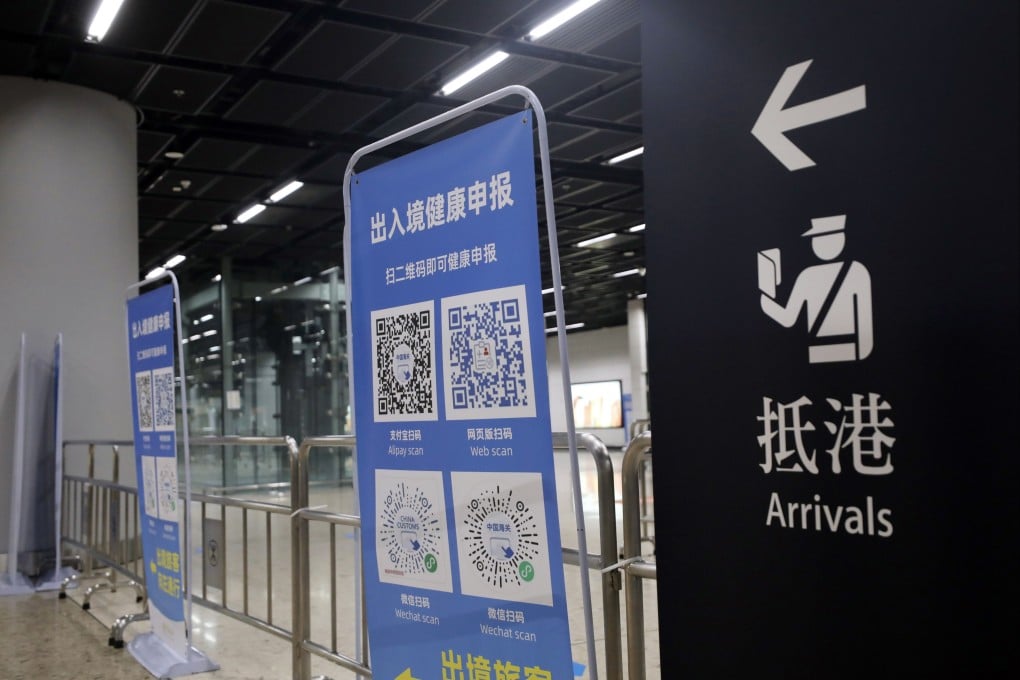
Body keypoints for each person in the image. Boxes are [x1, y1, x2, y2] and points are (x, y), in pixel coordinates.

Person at [759, 215, 873, 363]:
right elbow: (789, 319)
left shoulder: (854, 272)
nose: (821, 243)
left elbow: (787, 319)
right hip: (829, 352)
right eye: (818, 238)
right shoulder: (856, 271)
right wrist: (765, 297)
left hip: (824, 353)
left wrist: (765, 298)